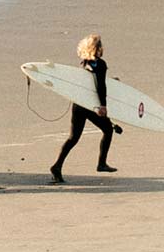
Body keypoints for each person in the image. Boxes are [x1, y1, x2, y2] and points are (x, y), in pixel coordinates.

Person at [50, 33, 118, 184]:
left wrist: (112, 83)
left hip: (79, 104)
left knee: (73, 138)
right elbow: (100, 86)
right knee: (108, 130)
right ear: (97, 48)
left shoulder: (83, 63)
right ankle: (101, 163)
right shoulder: (100, 64)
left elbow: (89, 83)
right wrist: (103, 106)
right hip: (91, 106)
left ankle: (57, 166)